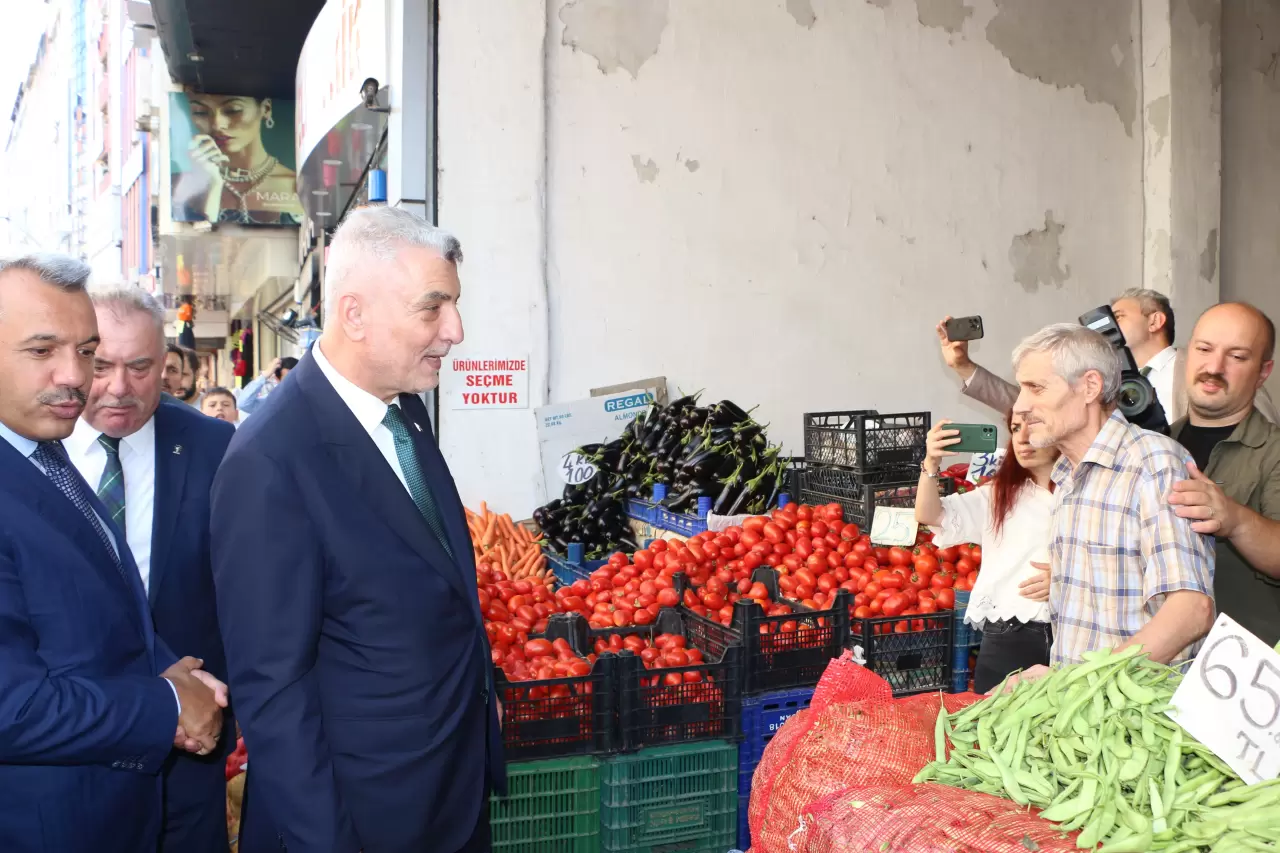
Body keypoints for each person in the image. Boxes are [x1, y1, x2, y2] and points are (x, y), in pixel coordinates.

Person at [212, 206, 504, 853]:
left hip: (446, 796)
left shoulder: (405, 413)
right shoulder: (270, 460)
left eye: (454, 304)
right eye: (432, 308)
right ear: (354, 314)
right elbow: (273, 690)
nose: (456, 330)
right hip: (361, 818)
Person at [0, 255, 227, 852]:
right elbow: (10, 706)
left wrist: (175, 677)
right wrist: (167, 704)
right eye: (42, 350)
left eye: (85, 350)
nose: (75, 375)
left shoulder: (44, 457)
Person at [62, 285, 237, 853]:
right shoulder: (32, 450)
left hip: (190, 748)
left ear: (168, 365)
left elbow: (248, 591)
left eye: (139, 367)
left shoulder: (216, 448)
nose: (119, 387)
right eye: (101, 365)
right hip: (72, 744)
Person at [1008, 323, 1215, 671]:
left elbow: (1191, 610)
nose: (1020, 406)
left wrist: (1083, 683)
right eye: (1021, 389)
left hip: (1139, 701)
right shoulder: (1067, 476)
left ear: (1090, 386)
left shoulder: (1153, 464)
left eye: (1036, 388)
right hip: (1081, 698)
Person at [936, 294, 1280, 424]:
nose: (1106, 325)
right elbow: (1037, 406)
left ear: (1155, 320)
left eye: (1119, 315)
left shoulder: (1208, 371)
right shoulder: (1103, 377)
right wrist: (964, 367)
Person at [915, 411, 1057, 693]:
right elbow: (930, 514)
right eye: (1015, 429)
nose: (1023, 438)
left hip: (1072, 631)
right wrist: (931, 463)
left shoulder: (1086, 493)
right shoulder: (998, 494)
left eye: (1033, 426)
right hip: (1010, 631)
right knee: (994, 716)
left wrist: (1065, 577)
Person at [1166, 303, 1280, 645]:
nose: (1214, 368)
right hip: (1156, 660)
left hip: (1243, 662)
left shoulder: (1273, 452)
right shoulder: (1155, 446)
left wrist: (1235, 520)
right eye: (1204, 349)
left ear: (1263, 372)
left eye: (1237, 357)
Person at [174, 94, 302, 225]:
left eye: (232, 110)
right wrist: (213, 184)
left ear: (266, 108)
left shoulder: (299, 186)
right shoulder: (175, 187)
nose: (216, 125)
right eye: (200, 112)